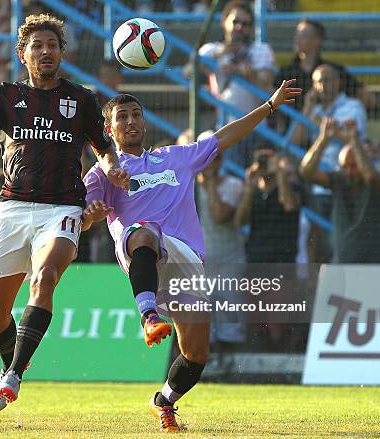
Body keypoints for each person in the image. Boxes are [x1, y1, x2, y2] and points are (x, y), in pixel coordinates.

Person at [0, 13, 130, 412]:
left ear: (62, 54)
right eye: (37, 46)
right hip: (13, 208)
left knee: (46, 275)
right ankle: (10, 363)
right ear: (24, 55)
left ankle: (15, 374)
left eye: (52, 45)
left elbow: (103, 148)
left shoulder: (83, 99)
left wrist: (112, 168)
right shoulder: (4, 96)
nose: (46, 51)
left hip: (63, 207)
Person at [83, 80, 301, 431]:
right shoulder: (105, 172)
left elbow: (226, 136)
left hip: (186, 259)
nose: (131, 121)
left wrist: (270, 105)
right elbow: (82, 218)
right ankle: (148, 316)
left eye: (136, 114)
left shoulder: (175, 157)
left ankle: (164, 401)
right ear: (108, 129)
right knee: (144, 232)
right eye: (122, 117)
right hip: (143, 247)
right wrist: (91, 213)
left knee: (196, 355)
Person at [300, 118, 380, 263]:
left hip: (375, 267)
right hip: (342, 266)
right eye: (345, 166)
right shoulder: (340, 179)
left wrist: (354, 140)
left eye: (354, 166)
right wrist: (323, 138)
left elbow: (370, 176)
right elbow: (307, 171)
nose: (349, 172)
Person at [196, 0, 275, 167]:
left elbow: (266, 83)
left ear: (251, 27)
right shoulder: (211, 49)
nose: (239, 27)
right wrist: (222, 53)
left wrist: (246, 73)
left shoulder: (261, 50)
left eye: (245, 24)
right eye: (235, 22)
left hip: (256, 127)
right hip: (224, 125)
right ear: (224, 21)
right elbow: (190, 72)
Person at [196, 149, 246, 348]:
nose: (211, 164)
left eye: (215, 159)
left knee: (229, 323)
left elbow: (218, 215)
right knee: (202, 322)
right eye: (207, 159)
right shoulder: (188, 187)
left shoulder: (234, 185)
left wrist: (208, 183)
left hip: (229, 260)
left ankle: (231, 372)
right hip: (199, 262)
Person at [275, 19, 370, 112]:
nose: (297, 38)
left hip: (327, 125)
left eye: (304, 34)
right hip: (294, 126)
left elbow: (365, 95)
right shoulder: (286, 72)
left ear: (318, 40)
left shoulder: (332, 70)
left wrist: (349, 115)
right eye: (297, 34)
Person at [234, 147, 303, 263]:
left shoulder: (291, 187)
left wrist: (280, 173)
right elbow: (239, 221)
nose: (264, 163)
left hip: (284, 260)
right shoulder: (253, 191)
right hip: (256, 259)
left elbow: (289, 205)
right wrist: (250, 184)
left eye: (268, 159)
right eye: (261, 159)